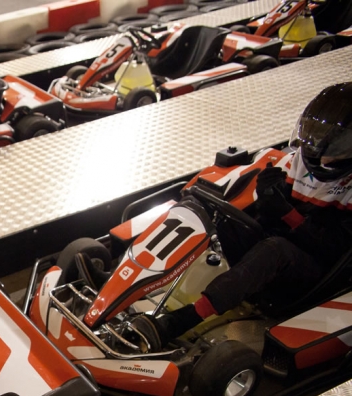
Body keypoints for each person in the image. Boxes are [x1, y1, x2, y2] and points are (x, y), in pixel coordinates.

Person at [77, 82, 352, 348]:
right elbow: (272, 213)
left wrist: (287, 213)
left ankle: (181, 320)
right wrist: (269, 197)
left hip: (318, 273)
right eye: (318, 137)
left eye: (335, 146)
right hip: (282, 241)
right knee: (211, 211)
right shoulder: (301, 161)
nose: (320, 152)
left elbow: (334, 250)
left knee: (274, 250)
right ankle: (121, 283)